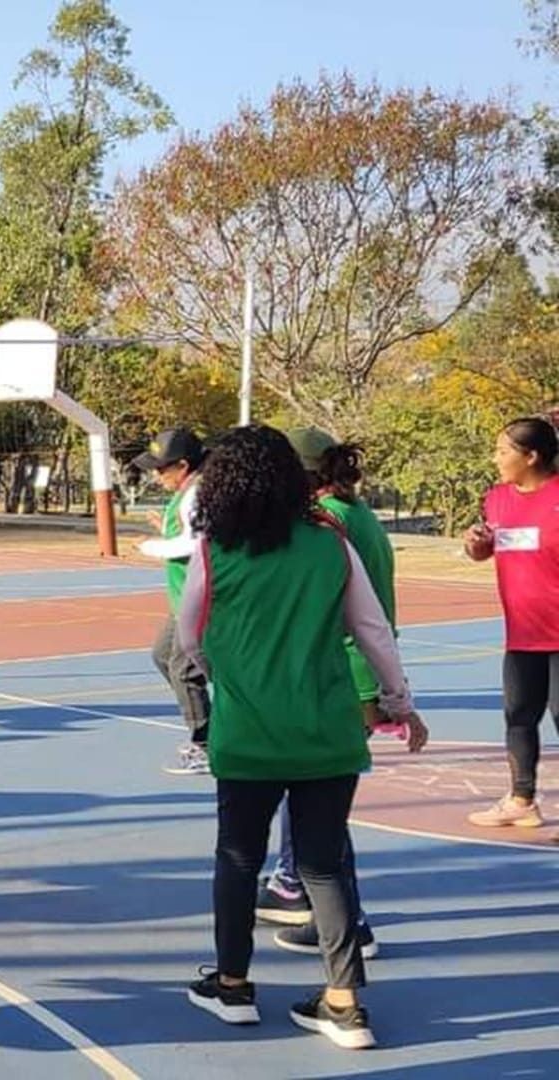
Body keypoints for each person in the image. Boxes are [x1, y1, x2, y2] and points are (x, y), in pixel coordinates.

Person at [176, 425, 427, 1051]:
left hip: (249, 731)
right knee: (324, 863)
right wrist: (399, 703)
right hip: (326, 730)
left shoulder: (214, 551)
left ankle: (232, 983)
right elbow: (373, 631)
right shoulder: (330, 546)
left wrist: (230, 679)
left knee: (237, 857)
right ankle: (344, 1001)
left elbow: (189, 638)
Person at [255, 429, 394, 954]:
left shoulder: (328, 522)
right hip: (353, 667)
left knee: (322, 810)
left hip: (346, 671)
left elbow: (353, 612)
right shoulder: (352, 512)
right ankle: (306, 893)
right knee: (316, 801)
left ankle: (346, 921)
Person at [461, 415, 559, 830]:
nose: (495, 458)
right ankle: (522, 798)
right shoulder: (497, 498)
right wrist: (476, 545)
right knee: (518, 716)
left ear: (531, 456)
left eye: (503, 451)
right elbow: (489, 551)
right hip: (522, 633)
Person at [133, 427, 214, 775]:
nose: (156, 474)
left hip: (200, 598)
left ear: (183, 465)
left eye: (161, 468)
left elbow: (197, 543)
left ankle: (205, 743)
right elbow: (186, 531)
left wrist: (150, 546)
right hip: (183, 597)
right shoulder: (185, 493)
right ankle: (216, 726)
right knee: (163, 656)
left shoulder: (198, 493)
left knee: (185, 668)